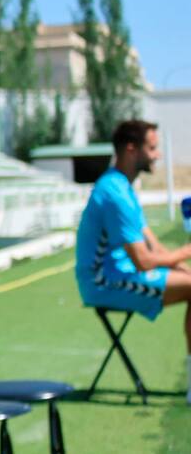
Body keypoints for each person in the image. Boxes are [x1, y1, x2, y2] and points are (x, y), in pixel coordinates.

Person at [75, 119, 191, 402]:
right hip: (104, 283)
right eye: (152, 148)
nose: (158, 155)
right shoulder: (114, 193)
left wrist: (182, 267)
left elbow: (155, 248)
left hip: (120, 274)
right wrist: (187, 251)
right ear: (131, 149)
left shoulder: (122, 186)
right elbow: (143, 262)